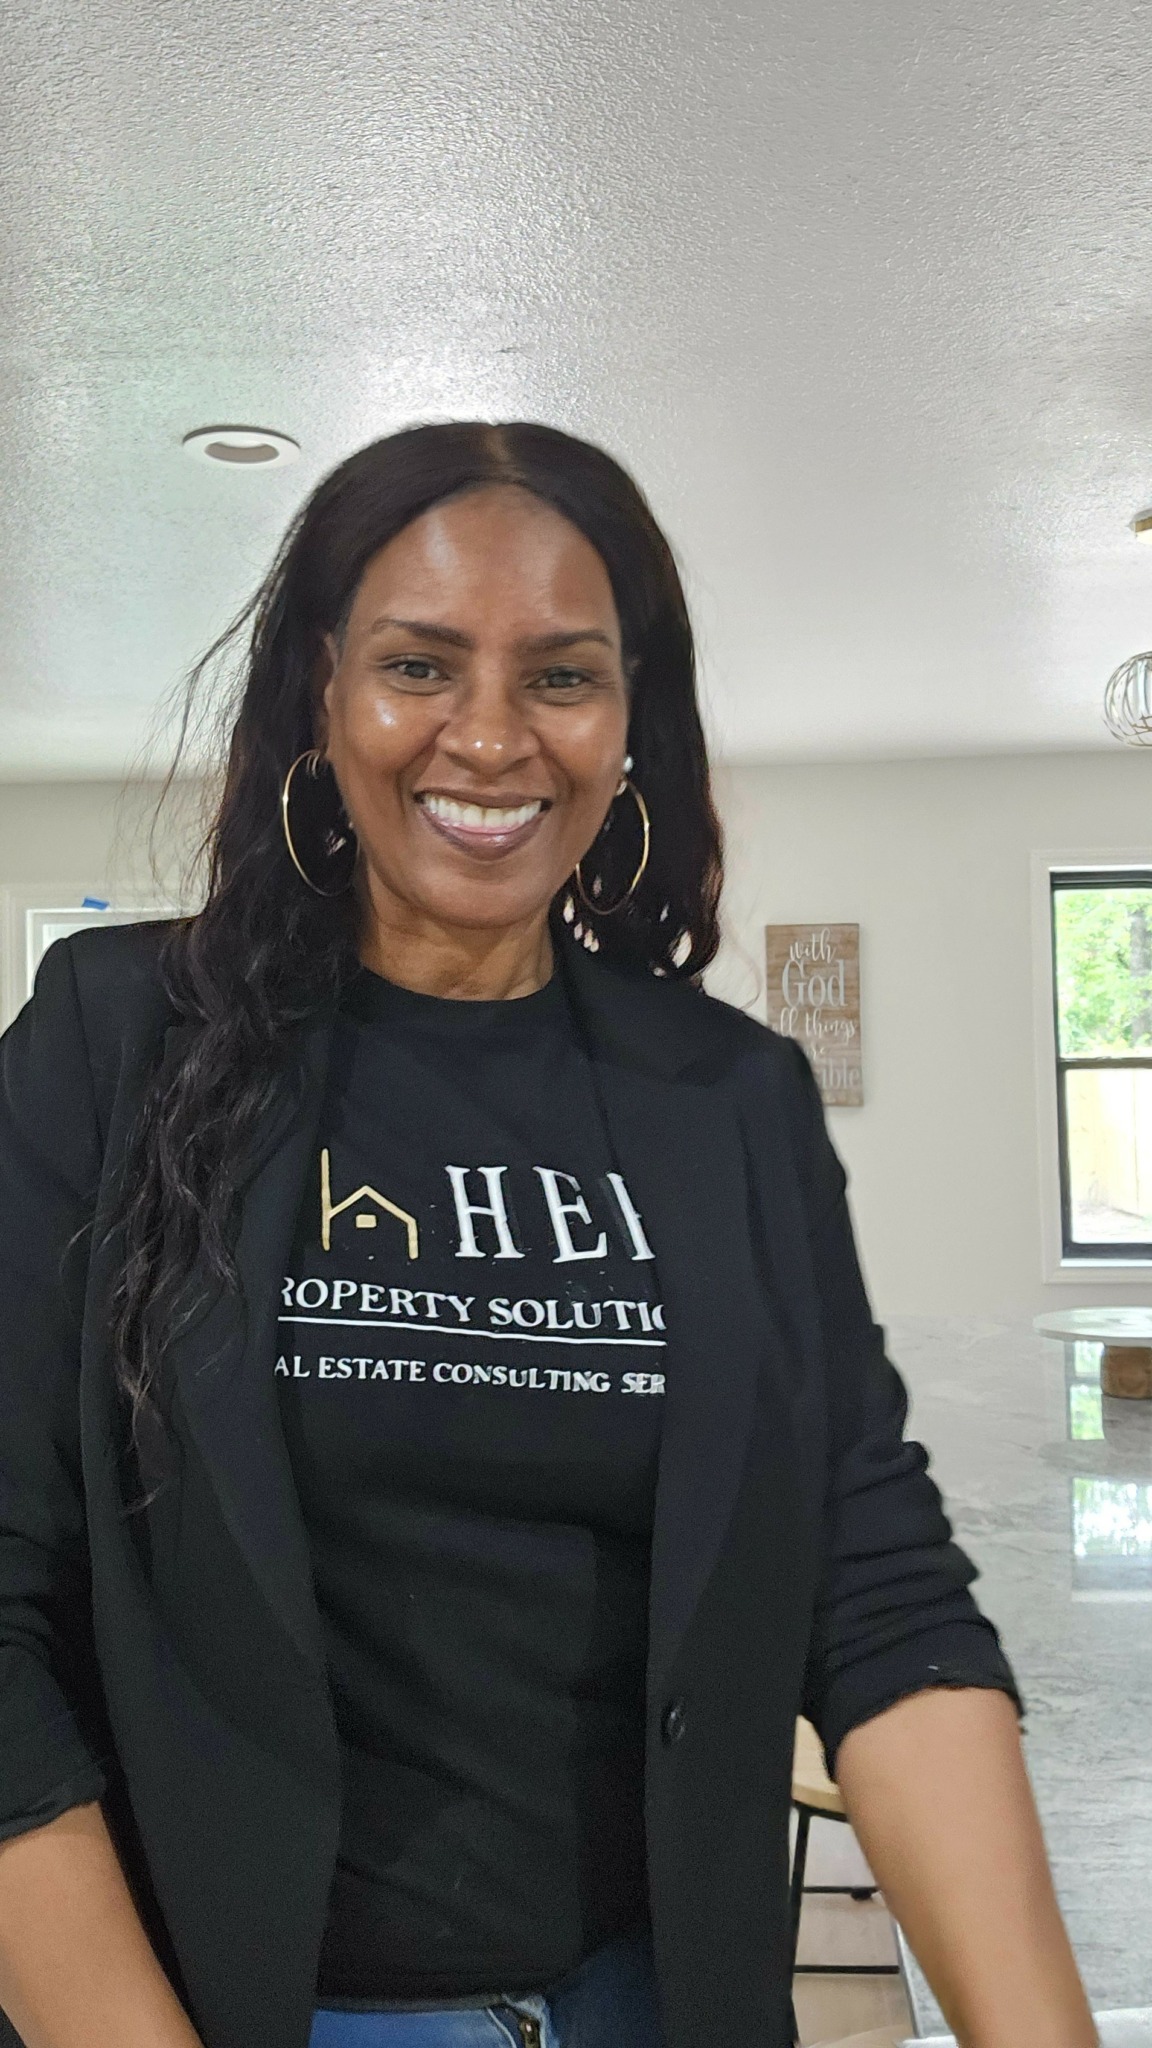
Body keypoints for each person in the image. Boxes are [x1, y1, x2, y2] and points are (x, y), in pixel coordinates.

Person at [0, 421, 1095, 2048]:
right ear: (321, 689)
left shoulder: (728, 1098)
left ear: (633, 716)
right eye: (418, 665)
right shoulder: (116, 1043)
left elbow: (874, 1590)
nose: (491, 737)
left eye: (563, 676)